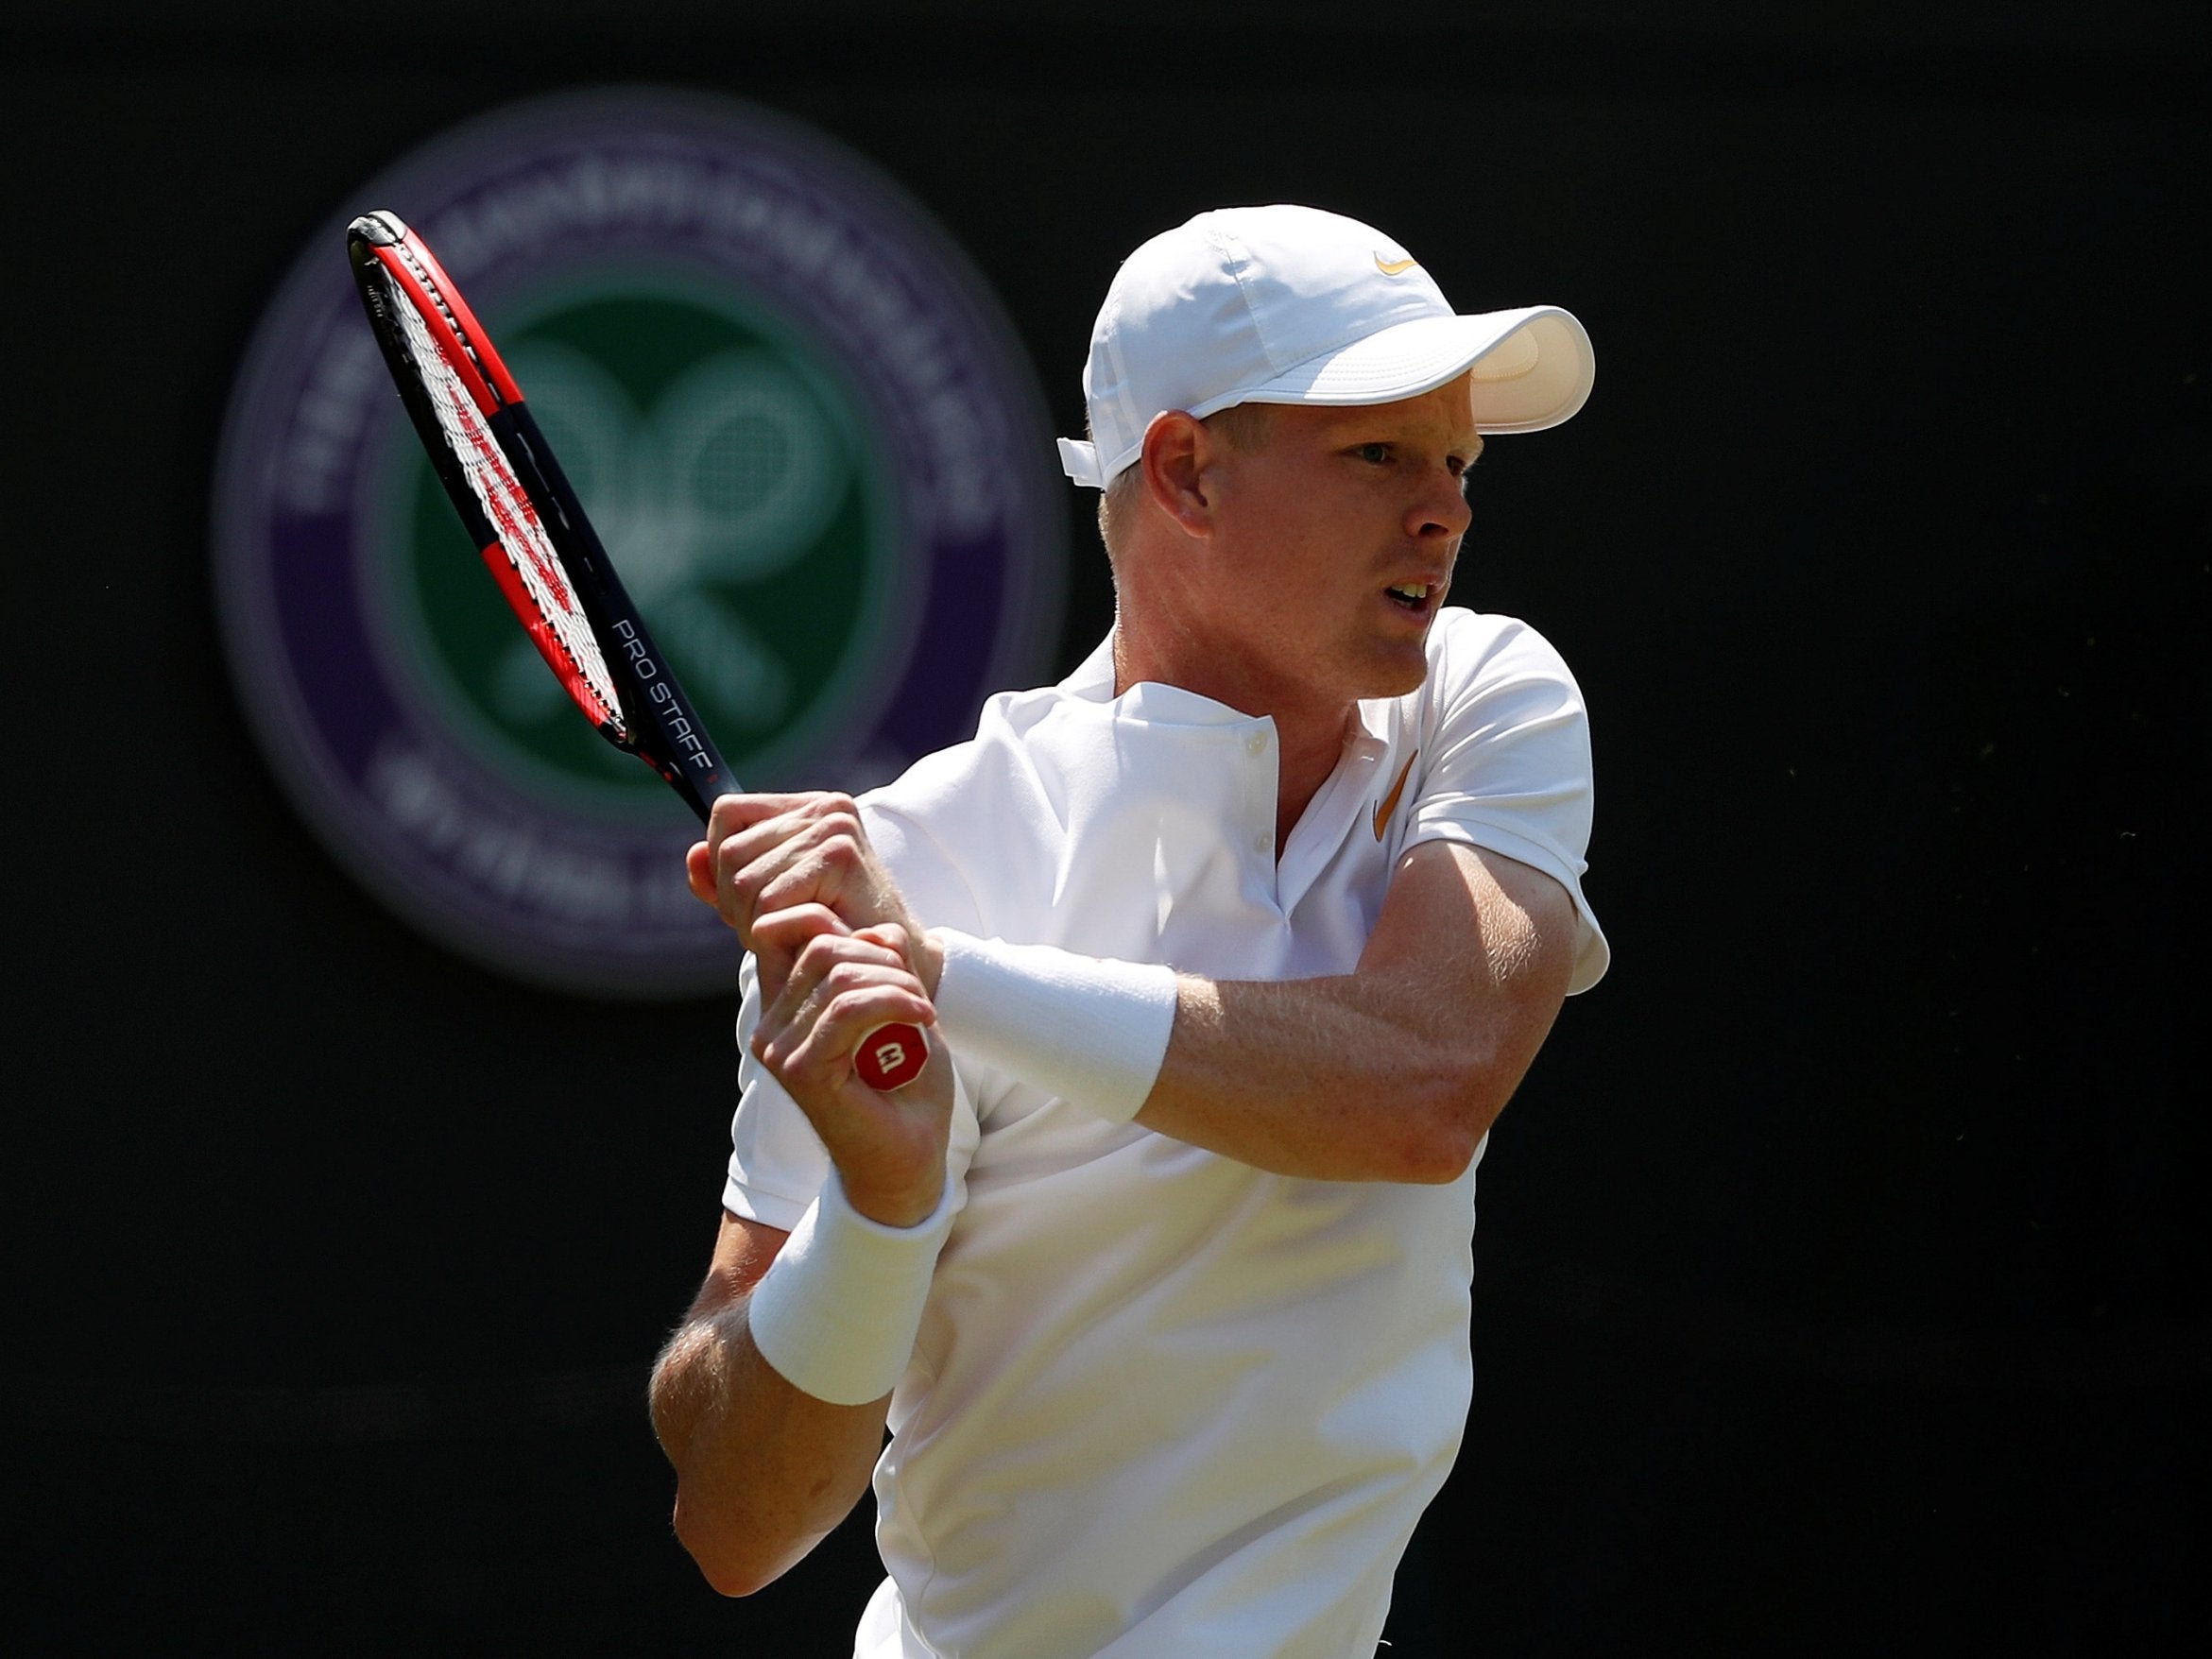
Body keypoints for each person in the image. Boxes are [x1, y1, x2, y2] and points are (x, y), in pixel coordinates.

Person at [649, 204, 1610, 1657]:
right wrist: (881, 1203)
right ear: (1185, 475)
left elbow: (1426, 1087)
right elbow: (737, 1523)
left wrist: (945, 978)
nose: (1446, 510)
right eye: (1377, 456)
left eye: (1457, 461)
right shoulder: (920, 853)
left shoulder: (1485, 696)